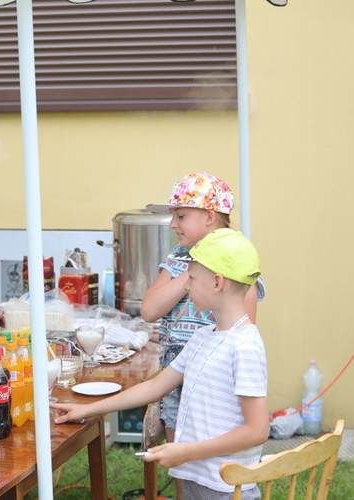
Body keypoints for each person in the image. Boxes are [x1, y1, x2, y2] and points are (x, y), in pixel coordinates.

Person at [52, 228, 268, 499]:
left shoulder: (245, 346)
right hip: (195, 478)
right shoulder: (203, 337)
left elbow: (257, 430)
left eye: (191, 278)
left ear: (217, 283)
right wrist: (86, 410)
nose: (186, 286)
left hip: (227, 488)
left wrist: (185, 450)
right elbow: (154, 388)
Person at [140, 172, 266, 499]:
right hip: (178, 373)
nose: (172, 224)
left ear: (210, 216)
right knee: (184, 465)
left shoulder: (237, 266)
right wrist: (191, 271)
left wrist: (204, 268)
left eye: (181, 215)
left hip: (216, 390)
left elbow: (241, 330)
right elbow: (149, 309)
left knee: (212, 463)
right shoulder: (179, 260)